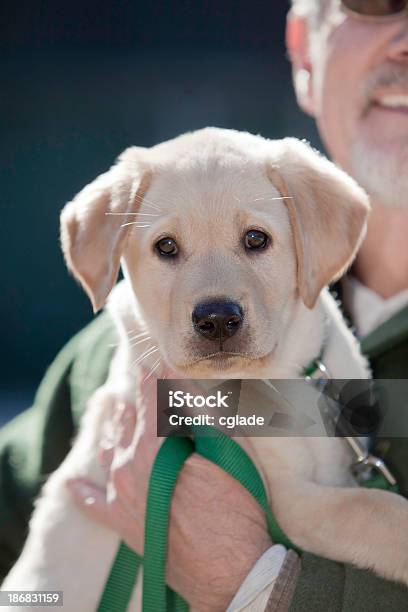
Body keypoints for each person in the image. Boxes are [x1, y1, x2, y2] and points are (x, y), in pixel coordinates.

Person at [1, 0, 408, 609]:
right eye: (167, 247)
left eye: (254, 241)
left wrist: (261, 582)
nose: (215, 305)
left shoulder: (320, 348)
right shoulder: (114, 355)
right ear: (303, 50)